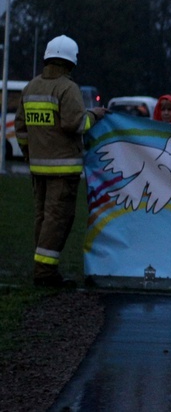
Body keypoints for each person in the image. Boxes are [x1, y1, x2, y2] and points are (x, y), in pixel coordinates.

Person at [14, 35, 107, 288]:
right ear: (71, 63)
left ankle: (43, 267)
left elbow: (20, 128)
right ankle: (44, 273)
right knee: (58, 219)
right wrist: (94, 115)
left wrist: (29, 154)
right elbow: (75, 123)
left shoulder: (30, 87)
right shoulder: (67, 89)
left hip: (37, 168)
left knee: (43, 218)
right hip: (63, 169)